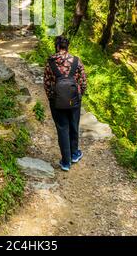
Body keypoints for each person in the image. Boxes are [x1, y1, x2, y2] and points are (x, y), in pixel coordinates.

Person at [44, 35, 87, 172]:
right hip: (74, 100)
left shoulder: (51, 62)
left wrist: (52, 98)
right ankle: (75, 154)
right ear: (67, 47)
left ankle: (66, 162)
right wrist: (79, 95)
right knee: (74, 125)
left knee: (62, 128)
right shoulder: (76, 61)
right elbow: (83, 82)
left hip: (57, 101)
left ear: (57, 46)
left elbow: (47, 83)